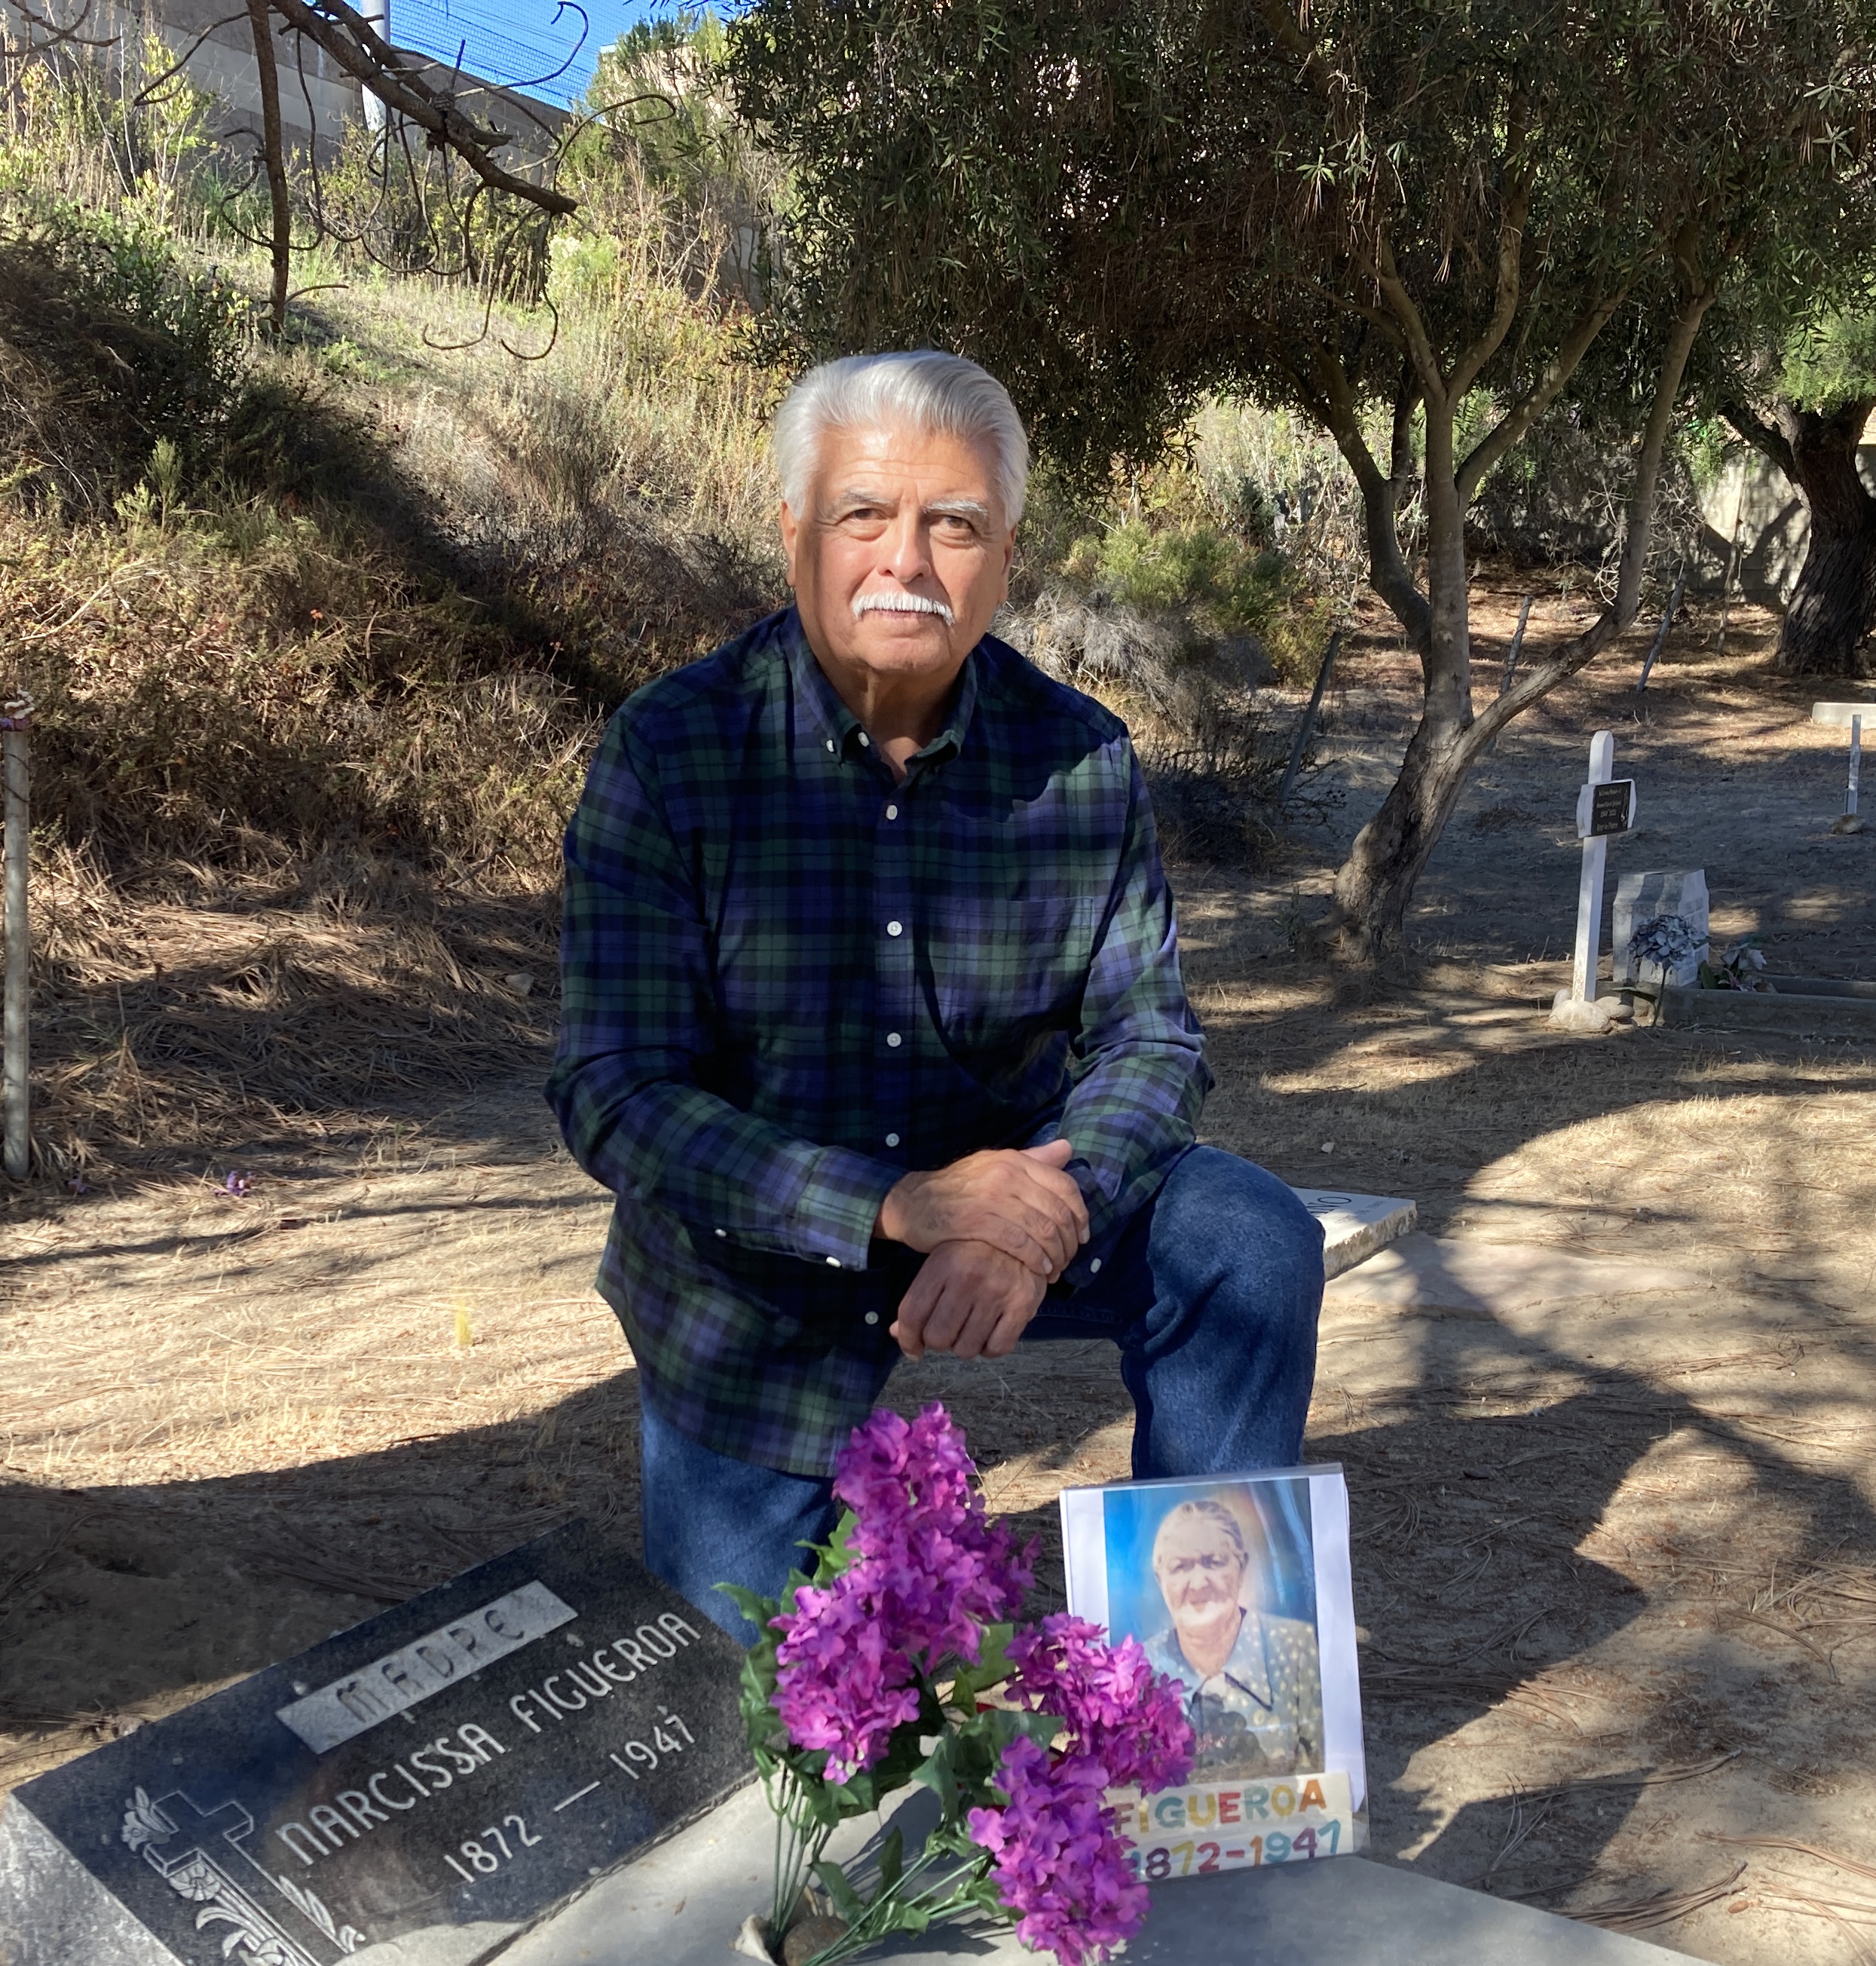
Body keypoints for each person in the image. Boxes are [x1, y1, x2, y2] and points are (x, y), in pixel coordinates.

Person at [546, 349, 1324, 1639]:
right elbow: (615, 1091)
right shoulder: (673, 752)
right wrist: (898, 1202)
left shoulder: (1078, 757)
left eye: (951, 524)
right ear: (794, 533)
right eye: (862, 514)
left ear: (1005, 554)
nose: (904, 560)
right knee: (751, 1719)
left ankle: (1206, 1701)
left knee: (1244, 1239)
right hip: (760, 1267)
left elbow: (1149, 1035)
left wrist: (1039, 1210)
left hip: (1010, 1196)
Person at [1138, 1499, 1323, 1781]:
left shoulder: (1296, 1648)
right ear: (1159, 1579)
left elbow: (1328, 1775)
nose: (1198, 1583)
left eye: (1214, 1562)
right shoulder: (1138, 1667)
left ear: (1242, 1567)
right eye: (1180, 1567)